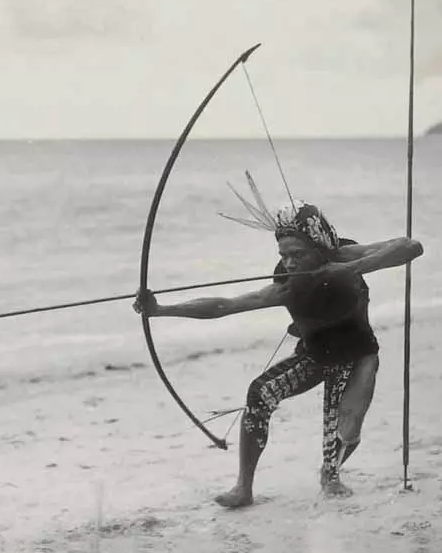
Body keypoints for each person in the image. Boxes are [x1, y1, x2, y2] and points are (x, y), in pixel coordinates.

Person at [133, 196, 423, 507]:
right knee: (259, 393)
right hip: (315, 355)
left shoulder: (342, 254)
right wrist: (160, 310)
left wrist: (348, 269)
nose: (290, 263)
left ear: (318, 248)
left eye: (298, 254)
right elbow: (225, 306)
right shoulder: (288, 285)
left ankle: (331, 474)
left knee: (347, 429)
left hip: (357, 354)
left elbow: (410, 247)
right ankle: (243, 488)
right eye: (284, 255)